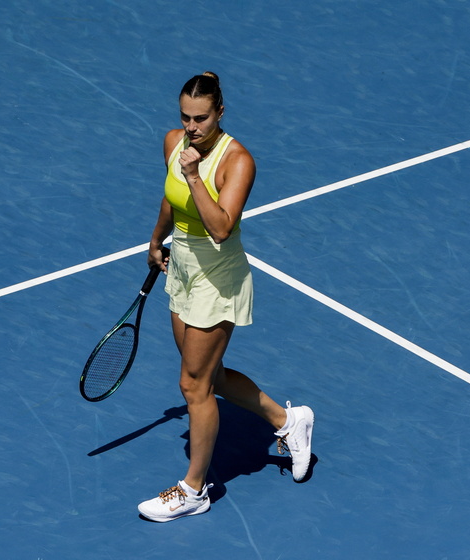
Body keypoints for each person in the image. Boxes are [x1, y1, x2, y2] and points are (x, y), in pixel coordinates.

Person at [138, 72, 315, 522]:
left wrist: (195, 175)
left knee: (193, 385)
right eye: (185, 117)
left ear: (220, 112)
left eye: (201, 118)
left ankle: (194, 489)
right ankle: (289, 422)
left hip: (219, 275)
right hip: (182, 266)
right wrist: (156, 240)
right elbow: (169, 199)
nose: (191, 127)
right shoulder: (172, 142)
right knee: (208, 377)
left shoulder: (237, 161)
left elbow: (220, 228)